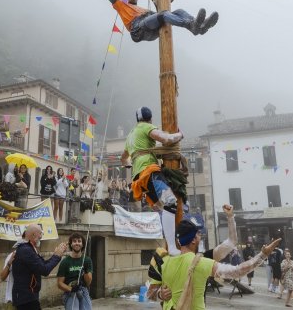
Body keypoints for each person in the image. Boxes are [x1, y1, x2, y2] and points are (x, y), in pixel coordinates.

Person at [156, 220, 279, 310]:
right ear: (193, 240)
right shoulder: (201, 262)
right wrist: (263, 255)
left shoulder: (165, 262)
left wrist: (160, 294)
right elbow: (238, 271)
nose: (200, 236)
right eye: (198, 234)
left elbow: (152, 292)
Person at [120, 106, 184, 252]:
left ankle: (171, 244)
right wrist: (180, 135)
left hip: (139, 177)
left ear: (137, 119)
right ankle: (172, 247)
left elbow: (123, 159)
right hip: (149, 171)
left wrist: (129, 165)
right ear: (150, 118)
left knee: (165, 207)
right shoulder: (146, 127)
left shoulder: (130, 135)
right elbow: (166, 139)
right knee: (170, 202)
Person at [12, 224, 68, 310]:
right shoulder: (26, 250)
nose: (41, 236)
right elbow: (44, 270)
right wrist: (56, 256)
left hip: (29, 297)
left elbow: (43, 264)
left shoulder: (29, 248)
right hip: (26, 298)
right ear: (34, 235)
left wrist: (55, 255)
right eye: (40, 234)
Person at [58, 232, 93, 310]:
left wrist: (86, 272)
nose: (77, 243)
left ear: (83, 244)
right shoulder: (65, 262)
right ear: (71, 244)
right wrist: (71, 289)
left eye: (79, 241)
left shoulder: (87, 260)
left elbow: (88, 282)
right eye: (74, 241)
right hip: (70, 292)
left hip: (83, 291)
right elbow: (59, 283)